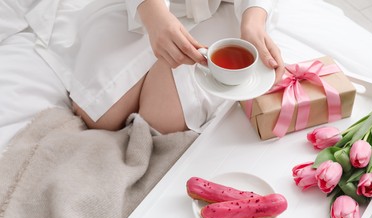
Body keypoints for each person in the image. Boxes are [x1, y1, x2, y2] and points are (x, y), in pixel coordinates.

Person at [35, 0, 285, 134]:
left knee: (159, 118)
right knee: (97, 111)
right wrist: (152, 14)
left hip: (226, 6)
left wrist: (253, 21)